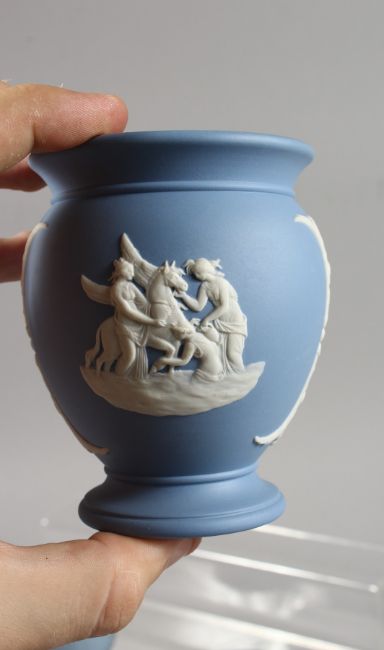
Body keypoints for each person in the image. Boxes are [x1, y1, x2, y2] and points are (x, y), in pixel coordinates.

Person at [0, 82, 200, 650]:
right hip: (134, 323)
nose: (129, 275)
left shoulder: (143, 284)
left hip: (150, 314)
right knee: (129, 348)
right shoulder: (123, 292)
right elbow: (129, 309)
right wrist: (144, 306)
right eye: (126, 273)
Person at [177, 258, 248, 372]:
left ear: (204, 271)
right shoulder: (205, 286)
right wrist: (184, 296)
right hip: (221, 321)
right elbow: (198, 306)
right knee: (221, 352)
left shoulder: (222, 282)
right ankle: (228, 377)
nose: (196, 276)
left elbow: (224, 306)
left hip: (234, 319)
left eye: (197, 273)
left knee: (232, 353)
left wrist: (207, 320)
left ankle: (242, 377)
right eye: (195, 274)